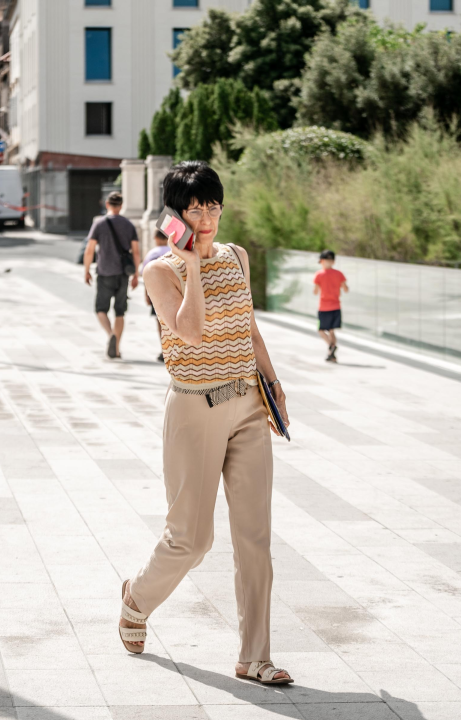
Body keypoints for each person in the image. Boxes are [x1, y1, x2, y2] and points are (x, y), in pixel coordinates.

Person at [119, 161, 293, 686]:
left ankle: (254, 657)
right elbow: (191, 333)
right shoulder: (158, 271)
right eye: (195, 208)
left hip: (247, 406)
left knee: (255, 539)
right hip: (194, 409)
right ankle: (135, 599)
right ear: (175, 215)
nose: (207, 217)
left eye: (213, 205)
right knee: (190, 540)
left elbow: (249, 328)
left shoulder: (238, 256)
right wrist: (192, 265)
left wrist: (274, 383)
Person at [83, 191, 140, 359]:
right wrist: (136, 274)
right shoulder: (129, 225)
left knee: (101, 309)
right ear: (121, 206)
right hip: (123, 274)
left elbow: (89, 250)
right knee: (120, 311)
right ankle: (116, 348)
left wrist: (86, 270)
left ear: (107, 204)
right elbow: (136, 252)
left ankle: (110, 335)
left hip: (104, 272)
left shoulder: (99, 224)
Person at [141, 229, 172, 362]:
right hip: (173, 292)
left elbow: (146, 276)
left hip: (157, 293)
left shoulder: (152, 254)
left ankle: (163, 350)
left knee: (160, 322)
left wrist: (146, 295)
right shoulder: (173, 253)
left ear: (156, 238)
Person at [314, 249, 348, 362]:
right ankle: (332, 353)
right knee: (332, 330)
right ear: (333, 261)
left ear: (322, 261)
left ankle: (331, 346)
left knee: (321, 330)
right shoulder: (339, 274)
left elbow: (315, 291)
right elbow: (345, 289)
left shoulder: (319, 274)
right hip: (336, 306)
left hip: (323, 307)